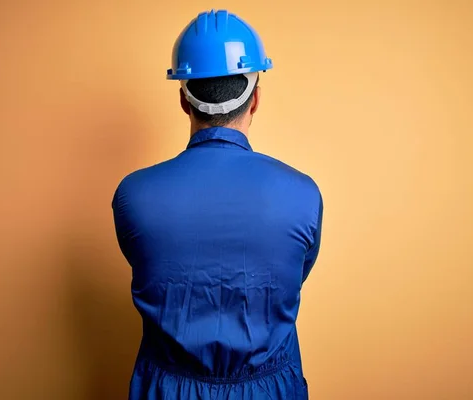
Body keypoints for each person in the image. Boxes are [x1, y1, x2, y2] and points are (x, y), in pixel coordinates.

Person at [113, 9, 323, 400]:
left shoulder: (133, 195)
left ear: (183, 99)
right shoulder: (303, 194)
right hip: (269, 391)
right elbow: (294, 276)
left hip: (167, 391)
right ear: (255, 98)